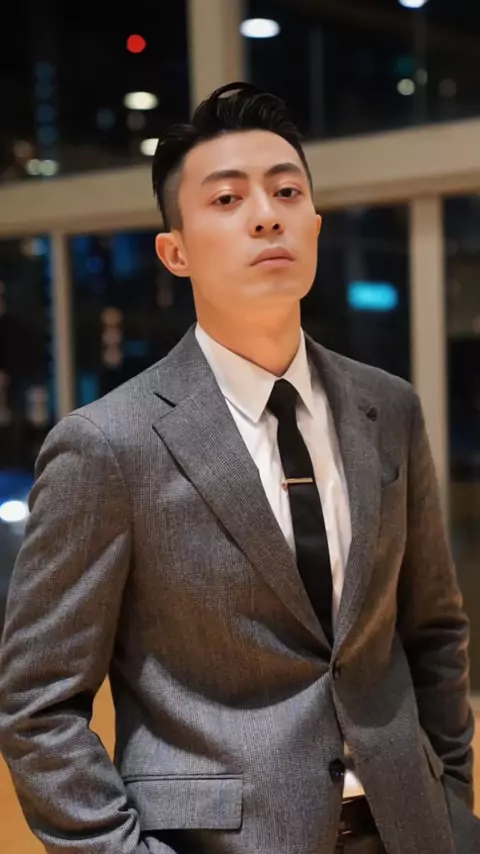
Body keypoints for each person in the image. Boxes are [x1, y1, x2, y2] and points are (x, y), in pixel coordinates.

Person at [0, 82, 478, 854]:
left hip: (412, 829)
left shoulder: (387, 409)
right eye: (226, 200)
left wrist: (452, 799)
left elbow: (434, 630)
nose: (266, 214)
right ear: (176, 251)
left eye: (287, 192)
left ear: (315, 225)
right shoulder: (107, 444)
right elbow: (36, 704)